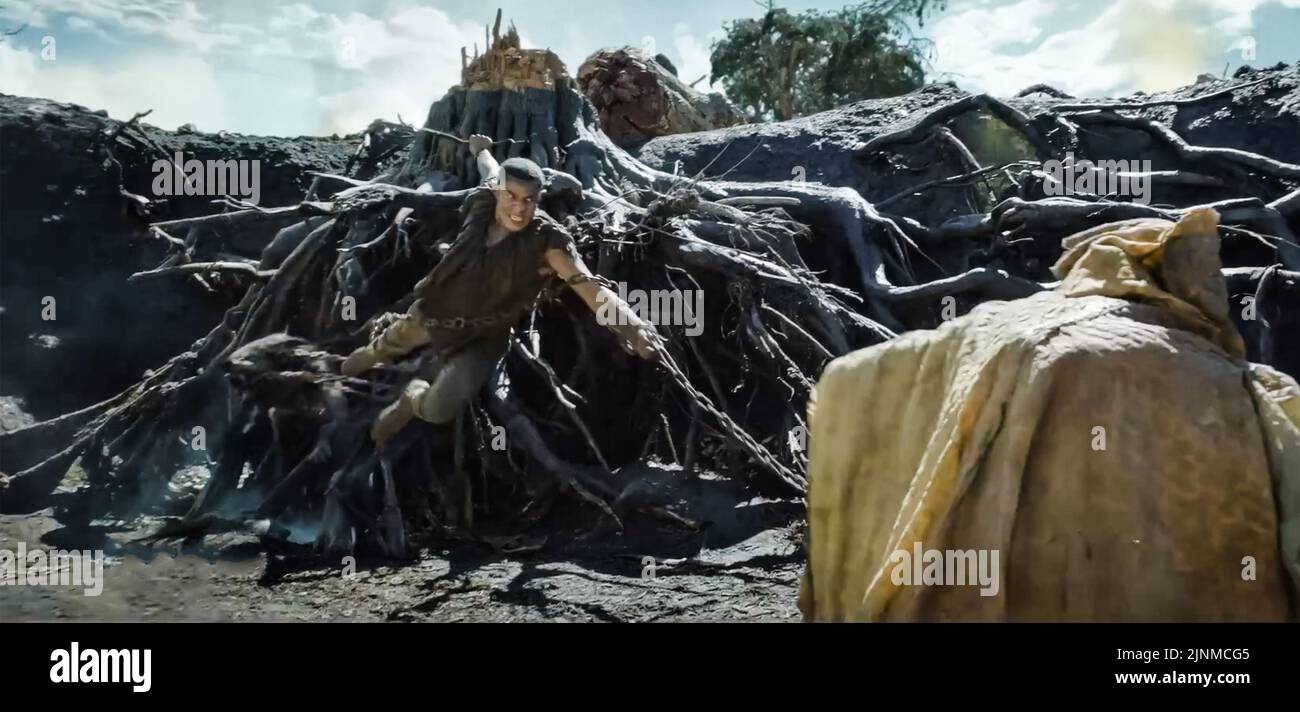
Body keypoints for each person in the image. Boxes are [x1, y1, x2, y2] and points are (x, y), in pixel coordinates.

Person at [342, 133, 663, 449]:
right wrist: (480, 148)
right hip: (429, 315)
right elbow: (490, 168)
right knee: (378, 351)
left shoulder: (547, 242)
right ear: (498, 192)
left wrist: (632, 327)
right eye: (511, 196)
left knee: (438, 411)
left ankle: (411, 399)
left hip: (483, 339)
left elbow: (590, 287)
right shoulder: (482, 205)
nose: (519, 209)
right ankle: (337, 375)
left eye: (529, 200)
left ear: (538, 199)